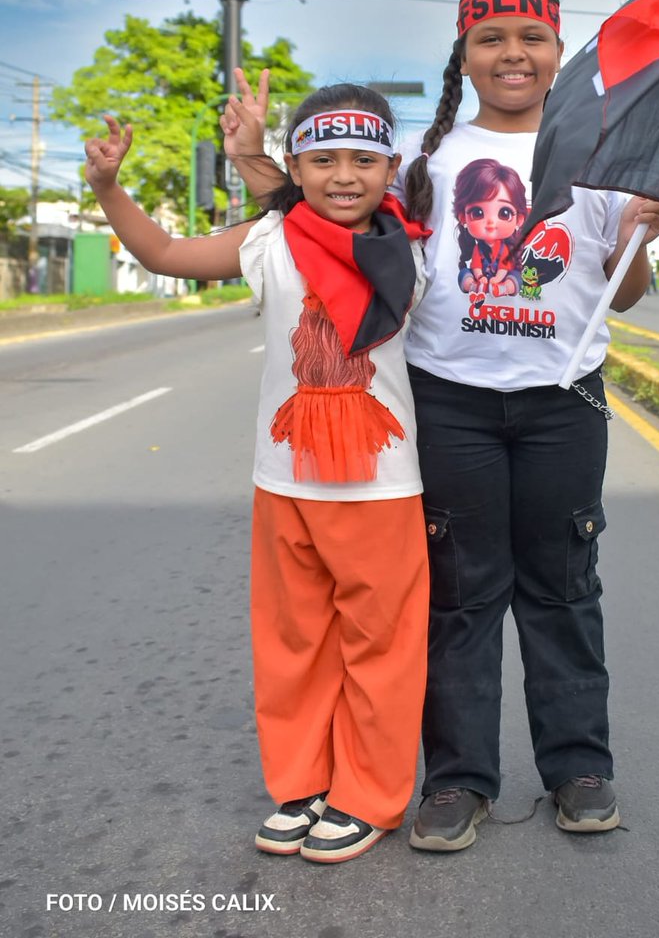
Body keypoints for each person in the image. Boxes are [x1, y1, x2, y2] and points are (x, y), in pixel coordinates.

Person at [225, 0, 659, 854]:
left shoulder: (600, 159)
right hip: (450, 404)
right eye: (489, 39)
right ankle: (459, 779)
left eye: (531, 38)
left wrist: (636, 237)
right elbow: (330, 210)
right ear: (463, 57)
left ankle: (579, 769)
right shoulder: (425, 162)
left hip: (562, 403)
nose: (512, 53)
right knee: (460, 597)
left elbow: (621, 294)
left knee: (563, 588)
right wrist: (251, 161)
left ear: (559, 53)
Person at [85, 85, 430, 865]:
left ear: (392, 169)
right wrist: (109, 187)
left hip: (381, 489)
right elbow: (165, 253)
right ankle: (302, 784)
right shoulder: (271, 238)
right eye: (323, 159)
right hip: (285, 482)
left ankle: (367, 795)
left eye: (364, 159)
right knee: (291, 645)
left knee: (380, 649)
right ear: (295, 169)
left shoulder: (416, 249)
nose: (344, 175)